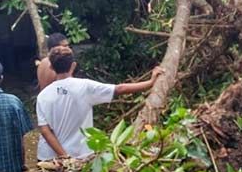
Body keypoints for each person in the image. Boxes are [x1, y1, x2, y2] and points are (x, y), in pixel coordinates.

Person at [36, 46, 164, 160]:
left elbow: (45, 131)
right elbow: (120, 89)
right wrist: (150, 82)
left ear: (51, 67)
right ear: (73, 65)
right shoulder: (85, 87)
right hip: (79, 155)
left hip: (49, 159)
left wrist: (63, 156)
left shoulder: (43, 96)